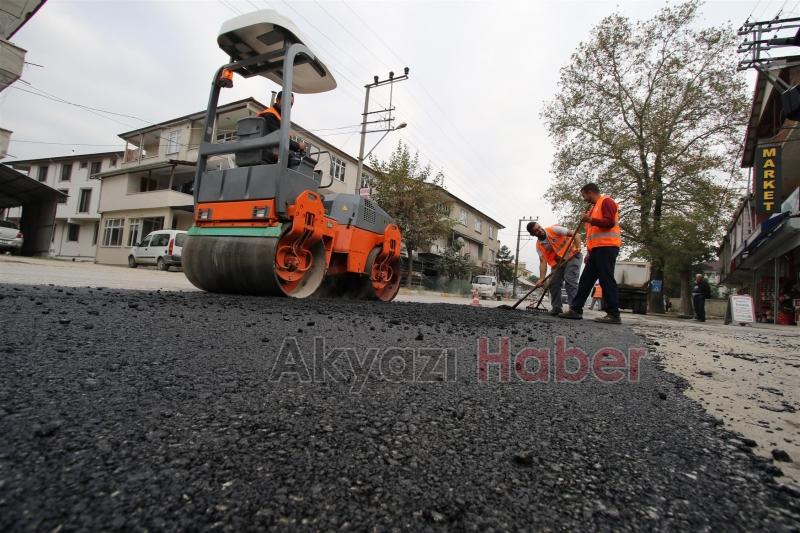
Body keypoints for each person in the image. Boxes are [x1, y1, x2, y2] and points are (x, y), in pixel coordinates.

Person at [558, 183, 622, 324]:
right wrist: (589, 251)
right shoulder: (594, 208)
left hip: (607, 247)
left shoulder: (606, 201)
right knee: (586, 280)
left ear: (590, 192)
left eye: (584, 195)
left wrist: (590, 220)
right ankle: (576, 310)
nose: (584, 199)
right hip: (596, 250)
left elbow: (610, 222)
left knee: (606, 280)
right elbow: (593, 233)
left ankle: (614, 314)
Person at [527, 221, 583, 316]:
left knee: (570, 279)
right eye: (536, 231)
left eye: (539, 227)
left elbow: (576, 234)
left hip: (572, 256)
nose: (540, 230)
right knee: (553, 283)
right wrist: (541, 279)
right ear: (533, 234)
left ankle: (574, 310)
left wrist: (578, 249)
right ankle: (557, 308)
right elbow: (543, 262)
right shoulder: (539, 246)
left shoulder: (553, 230)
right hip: (559, 262)